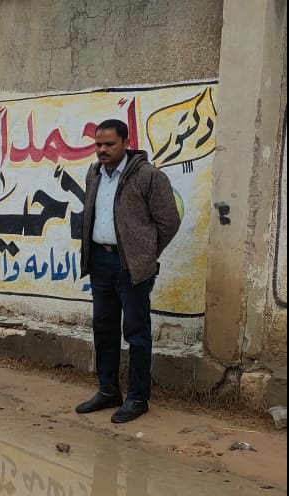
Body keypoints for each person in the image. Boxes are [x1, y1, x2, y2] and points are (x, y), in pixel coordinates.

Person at [76, 118, 180, 424]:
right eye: (98, 144)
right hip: (99, 262)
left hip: (131, 266)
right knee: (103, 328)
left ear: (125, 143)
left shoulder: (149, 176)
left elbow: (169, 222)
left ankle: (137, 397)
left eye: (109, 144)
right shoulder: (94, 173)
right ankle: (108, 390)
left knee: (136, 333)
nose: (102, 150)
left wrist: (145, 253)